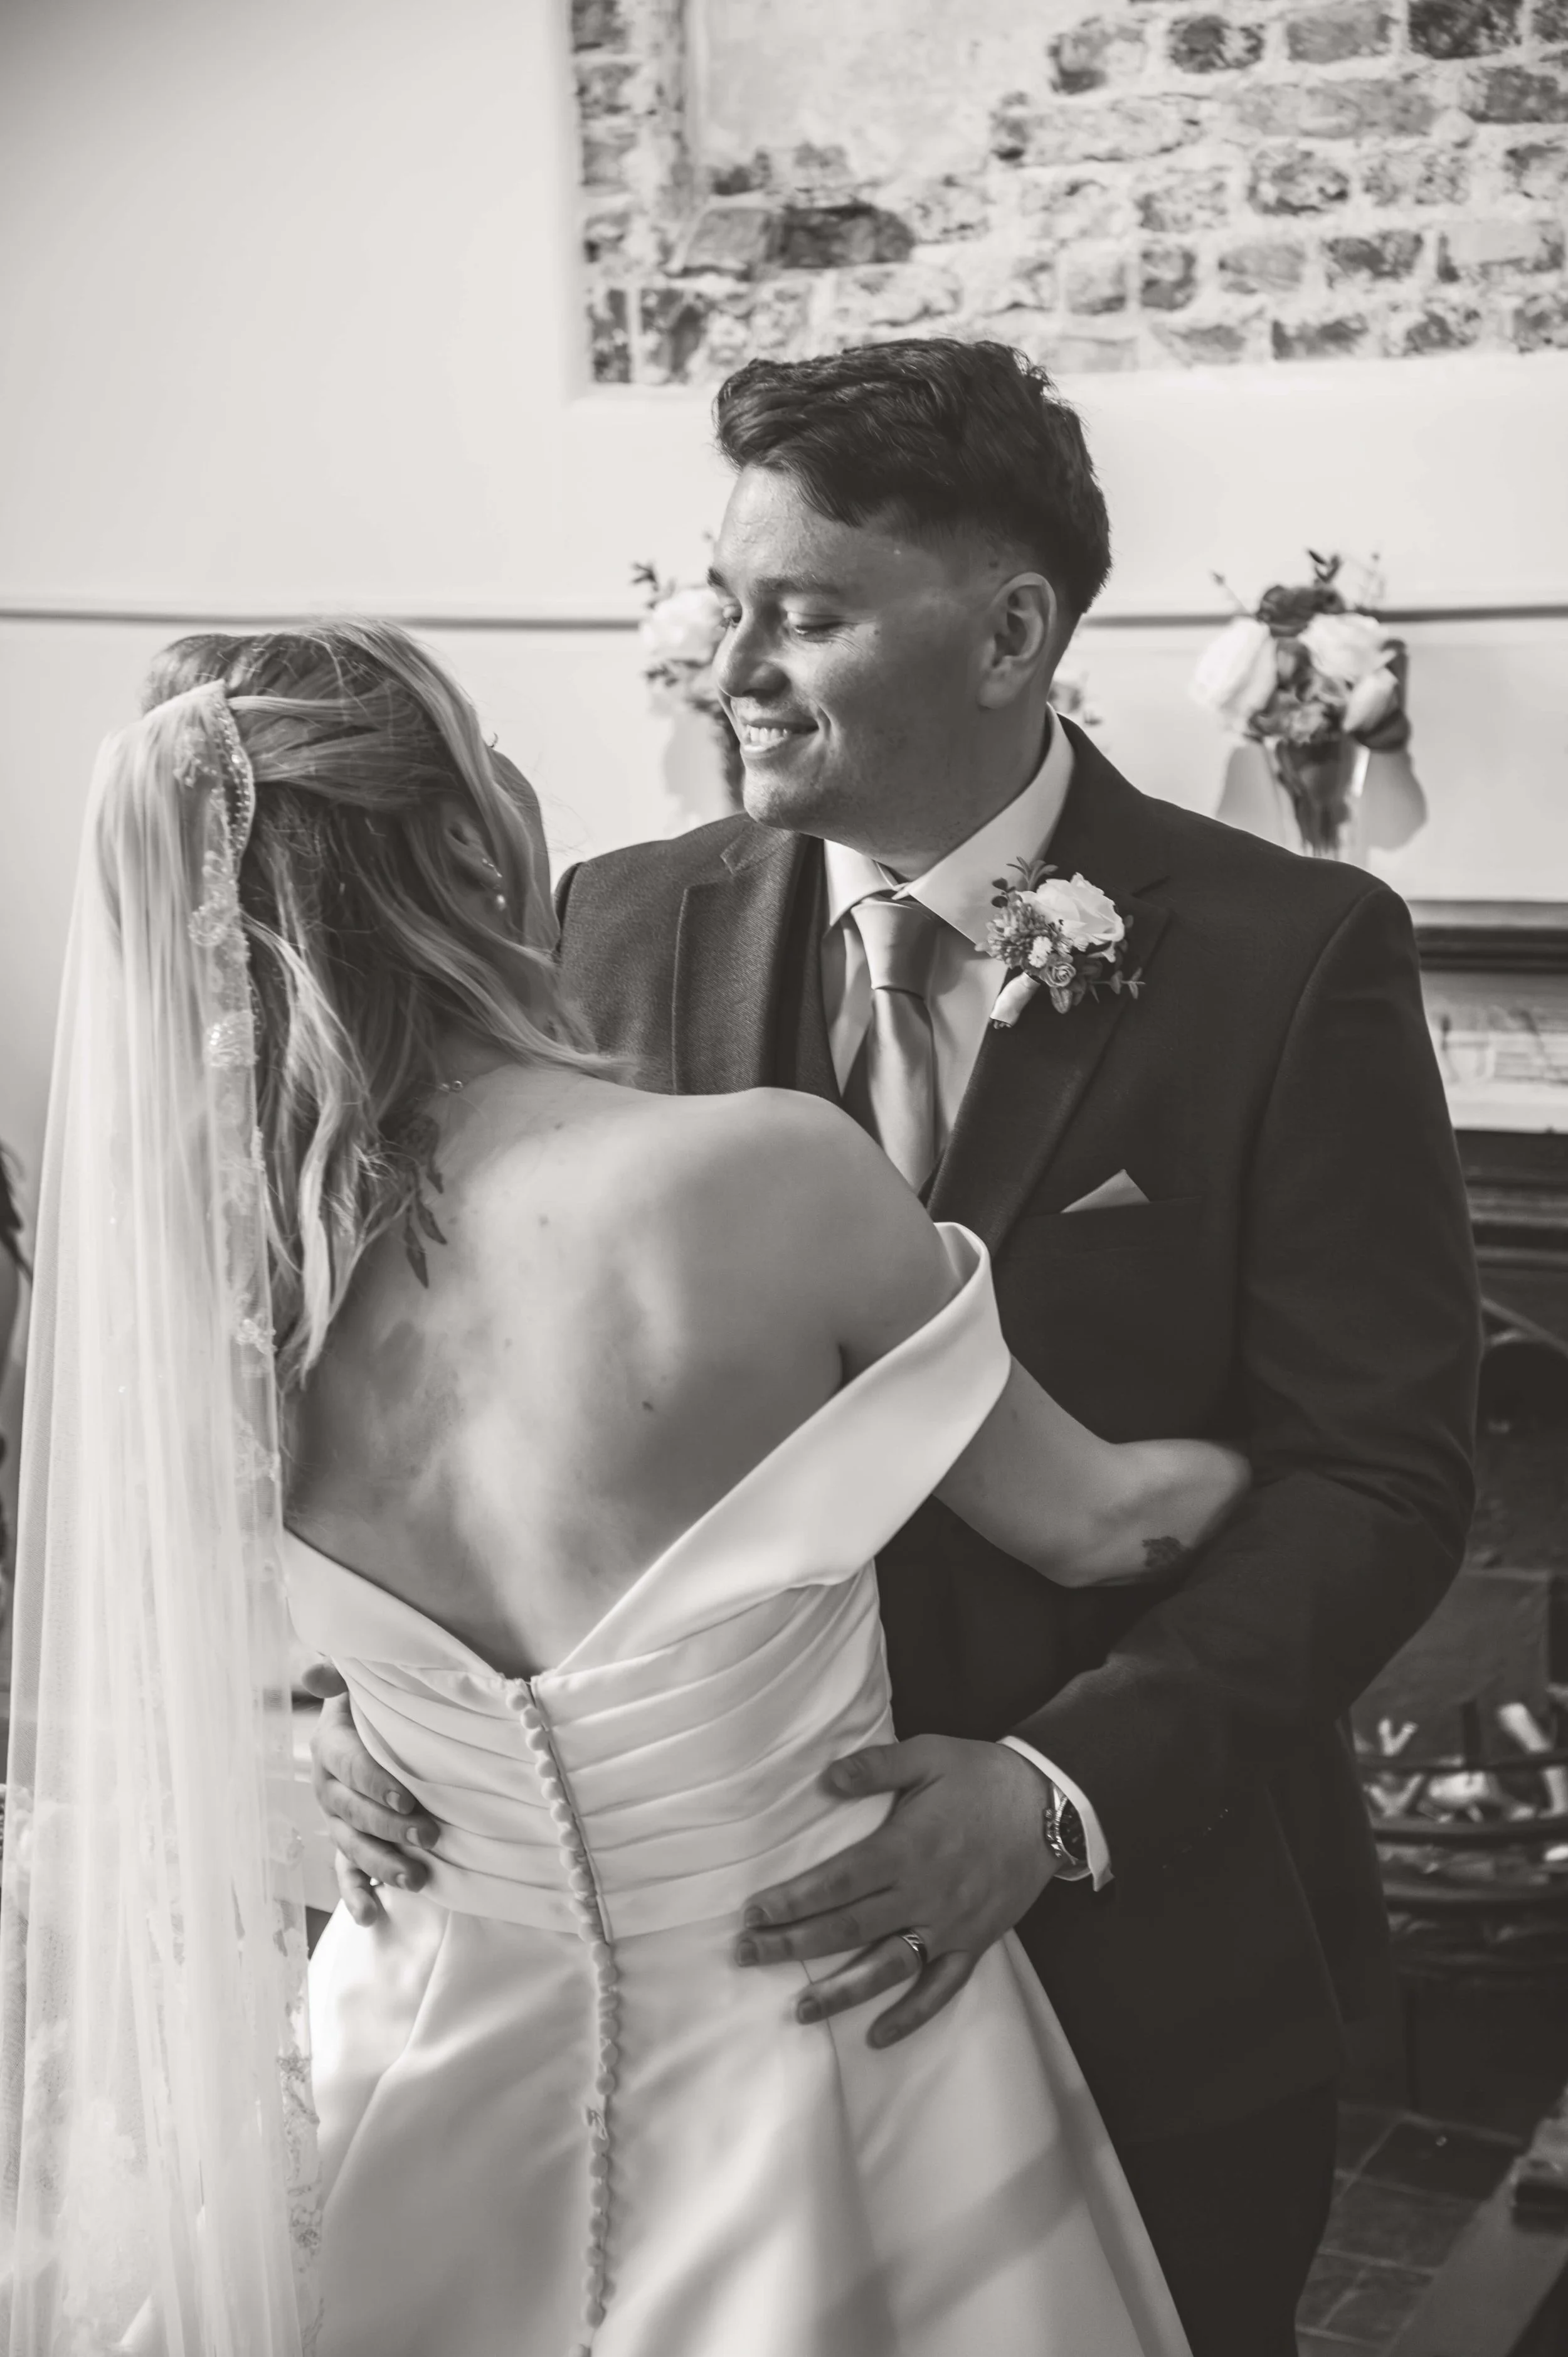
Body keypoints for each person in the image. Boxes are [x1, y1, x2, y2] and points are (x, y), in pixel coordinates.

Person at [314, 339, 1481, 2356]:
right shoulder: (607, 922)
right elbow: (479, 1371)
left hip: (1145, 1969)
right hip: (703, 2020)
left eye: (806, 614)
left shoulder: (1289, 957)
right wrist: (367, 1701)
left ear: (1013, 629)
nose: (725, 660)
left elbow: (1384, 1477)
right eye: (723, 597)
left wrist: (1051, 1789)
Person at [0, 617, 1251, 2354]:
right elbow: (1107, 1517)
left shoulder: (210, 1284)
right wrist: (1276, 1432)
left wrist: (332, 1720)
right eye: (489, 750)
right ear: (458, 845)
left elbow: (252, 1649)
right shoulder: (762, 1175)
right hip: (817, 2056)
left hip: (420, 2049)